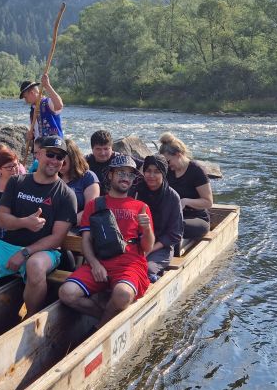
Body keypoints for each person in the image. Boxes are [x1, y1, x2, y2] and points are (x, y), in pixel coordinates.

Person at [0, 135, 77, 317]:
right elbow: (2, 219)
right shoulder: (17, 182)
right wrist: (25, 222)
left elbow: (56, 238)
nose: (55, 160)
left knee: (34, 265)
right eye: (51, 154)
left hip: (44, 252)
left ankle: (31, 318)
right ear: (39, 154)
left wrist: (24, 252)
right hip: (7, 245)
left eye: (60, 157)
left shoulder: (66, 195)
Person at [58, 155, 155, 327]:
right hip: (100, 262)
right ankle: (109, 319)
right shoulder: (95, 204)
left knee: (123, 294)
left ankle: (97, 331)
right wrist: (95, 264)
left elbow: (147, 247)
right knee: (67, 293)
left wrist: (146, 229)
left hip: (130, 265)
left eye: (130, 174)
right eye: (121, 172)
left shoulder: (141, 207)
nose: (126, 177)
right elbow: (86, 240)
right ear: (110, 175)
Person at [133, 154, 183, 282]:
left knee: (146, 268)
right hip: (136, 242)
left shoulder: (172, 197)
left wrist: (148, 251)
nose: (151, 176)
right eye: (148, 171)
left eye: (156, 172)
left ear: (163, 174)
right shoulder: (135, 192)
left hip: (161, 247)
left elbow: (175, 234)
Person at [158, 132, 213, 240]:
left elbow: (208, 202)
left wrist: (185, 201)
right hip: (174, 216)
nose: (167, 165)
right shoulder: (168, 171)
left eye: (168, 161)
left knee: (175, 226)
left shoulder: (196, 170)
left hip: (197, 217)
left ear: (178, 155)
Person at [85, 130, 143, 194]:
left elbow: (145, 164)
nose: (102, 153)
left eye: (106, 149)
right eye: (98, 149)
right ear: (92, 148)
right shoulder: (85, 161)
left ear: (112, 147)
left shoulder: (122, 159)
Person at [58, 138, 99, 225]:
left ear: (73, 160)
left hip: (77, 228)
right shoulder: (54, 176)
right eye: (57, 161)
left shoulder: (88, 178)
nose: (59, 166)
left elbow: (90, 210)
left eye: (63, 163)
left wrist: (63, 225)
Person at [20, 72, 63, 144]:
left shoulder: (47, 103)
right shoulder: (32, 110)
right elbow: (35, 132)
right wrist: (30, 136)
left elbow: (59, 105)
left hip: (53, 148)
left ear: (32, 93)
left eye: (26, 97)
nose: (26, 101)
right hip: (40, 150)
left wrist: (47, 86)